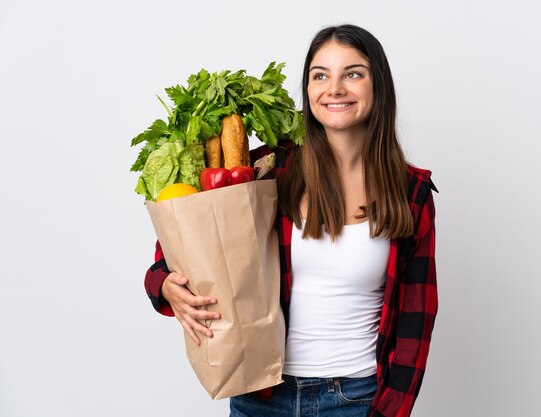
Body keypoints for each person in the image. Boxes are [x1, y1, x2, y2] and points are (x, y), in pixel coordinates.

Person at [144, 24, 438, 417]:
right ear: (309, 89)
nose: (334, 88)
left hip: (357, 399)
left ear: (378, 86)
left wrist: (388, 412)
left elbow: (417, 319)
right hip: (261, 395)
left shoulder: (409, 191)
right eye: (321, 75)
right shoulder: (270, 168)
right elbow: (189, 238)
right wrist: (164, 284)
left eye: (353, 73)